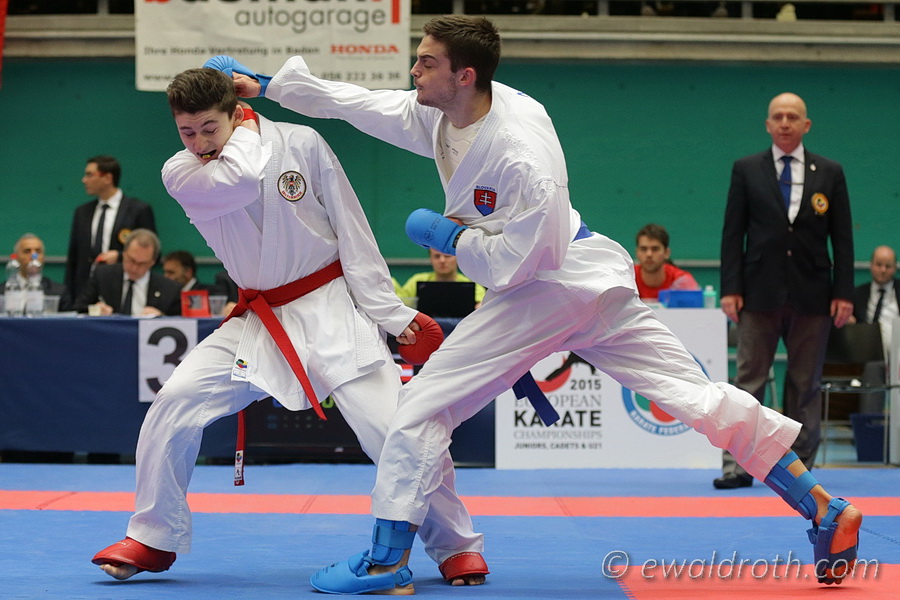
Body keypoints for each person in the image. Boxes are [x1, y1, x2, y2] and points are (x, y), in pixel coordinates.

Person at [207, 15, 861, 592]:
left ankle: (385, 559)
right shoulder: (443, 111)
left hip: (546, 283)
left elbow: (528, 261)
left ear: (464, 75)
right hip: (592, 283)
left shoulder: (522, 154)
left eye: (426, 62)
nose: (414, 71)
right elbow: (363, 103)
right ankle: (824, 508)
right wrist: (269, 85)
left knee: (420, 407)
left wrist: (453, 239)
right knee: (694, 394)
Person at [91, 67, 487, 587]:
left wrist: (392, 314)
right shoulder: (181, 171)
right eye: (186, 131)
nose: (199, 143)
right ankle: (152, 535)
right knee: (176, 400)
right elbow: (240, 177)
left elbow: (352, 230)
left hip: (331, 307)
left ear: (234, 112)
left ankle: (455, 543)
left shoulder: (301, 143)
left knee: (395, 429)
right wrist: (240, 126)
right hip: (260, 319)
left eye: (209, 128)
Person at [717, 92, 855, 489]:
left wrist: (844, 292)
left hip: (813, 293)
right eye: (777, 116)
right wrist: (730, 288)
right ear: (767, 124)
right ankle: (738, 465)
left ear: (806, 125)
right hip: (758, 292)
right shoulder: (746, 169)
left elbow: (842, 237)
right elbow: (733, 233)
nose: (784, 123)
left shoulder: (829, 172)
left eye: (792, 117)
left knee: (804, 384)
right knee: (749, 381)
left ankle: (802, 471)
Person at [64, 155, 157, 306]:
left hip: (120, 289)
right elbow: (74, 258)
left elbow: (154, 254)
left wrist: (119, 256)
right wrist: (69, 296)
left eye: (89, 175)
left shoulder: (138, 210)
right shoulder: (82, 212)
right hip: (85, 290)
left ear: (107, 178)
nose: (84, 180)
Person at [73, 228, 182, 317]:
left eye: (142, 264)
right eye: (131, 260)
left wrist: (161, 318)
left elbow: (181, 323)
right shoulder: (103, 275)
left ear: (152, 262)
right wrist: (96, 310)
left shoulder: (169, 289)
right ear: (124, 254)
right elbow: (79, 307)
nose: (134, 268)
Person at [4, 233, 72, 312]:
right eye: (27, 251)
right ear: (17, 256)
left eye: (38, 251)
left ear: (43, 257)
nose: (33, 256)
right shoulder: (2, 291)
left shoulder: (58, 292)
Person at [633, 223, 699, 300]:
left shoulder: (682, 281)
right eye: (643, 249)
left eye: (655, 249)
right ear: (637, 252)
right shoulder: (628, 277)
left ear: (667, 253)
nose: (649, 254)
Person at [400, 248, 486, 307]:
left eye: (447, 256)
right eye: (437, 256)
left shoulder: (472, 284)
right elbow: (401, 304)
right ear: (431, 259)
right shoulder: (416, 280)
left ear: (457, 258)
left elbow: (481, 308)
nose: (442, 260)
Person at [852, 245, 899, 340]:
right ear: (871, 265)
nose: (883, 270)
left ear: (895, 268)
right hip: (865, 342)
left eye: (888, 266)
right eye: (878, 265)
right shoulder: (857, 293)